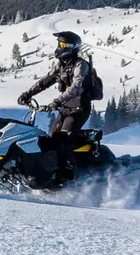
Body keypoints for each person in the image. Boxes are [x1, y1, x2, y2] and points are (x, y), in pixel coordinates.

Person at [19, 30, 101, 173]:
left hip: (79, 108)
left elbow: (76, 87)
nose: (59, 47)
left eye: (63, 44)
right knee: (51, 141)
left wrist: (56, 101)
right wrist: (27, 94)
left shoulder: (81, 65)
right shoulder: (61, 65)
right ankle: (46, 173)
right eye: (59, 44)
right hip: (64, 109)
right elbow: (44, 81)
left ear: (71, 47)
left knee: (63, 141)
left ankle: (68, 174)